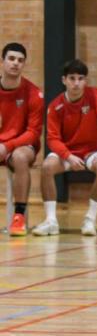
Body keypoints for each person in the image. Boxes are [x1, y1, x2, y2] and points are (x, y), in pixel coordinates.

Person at [33, 60, 97, 237]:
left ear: (85, 81)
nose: (76, 83)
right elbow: (53, 139)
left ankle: (90, 219)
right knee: (47, 167)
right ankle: (51, 221)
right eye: (72, 78)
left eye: (80, 79)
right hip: (68, 152)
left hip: (92, 151)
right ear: (63, 80)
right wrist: (68, 156)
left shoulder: (96, 96)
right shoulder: (55, 106)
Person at [0, 42, 44, 237]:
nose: (15, 63)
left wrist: (6, 146)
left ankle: (19, 216)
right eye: (11, 59)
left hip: (22, 145)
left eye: (20, 60)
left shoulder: (34, 93)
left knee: (19, 157)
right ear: (2, 61)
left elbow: (33, 132)